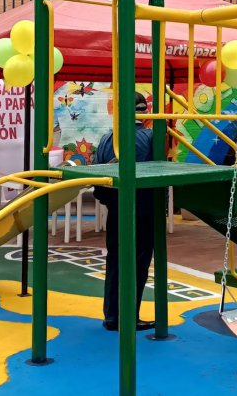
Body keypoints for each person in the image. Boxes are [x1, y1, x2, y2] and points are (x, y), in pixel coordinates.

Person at [94, 93, 155, 332]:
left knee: (115, 259)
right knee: (138, 262)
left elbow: (98, 175)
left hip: (115, 207)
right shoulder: (150, 137)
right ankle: (129, 316)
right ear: (145, 112)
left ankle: (112, 315)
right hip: (143, 206)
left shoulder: (107, 138)